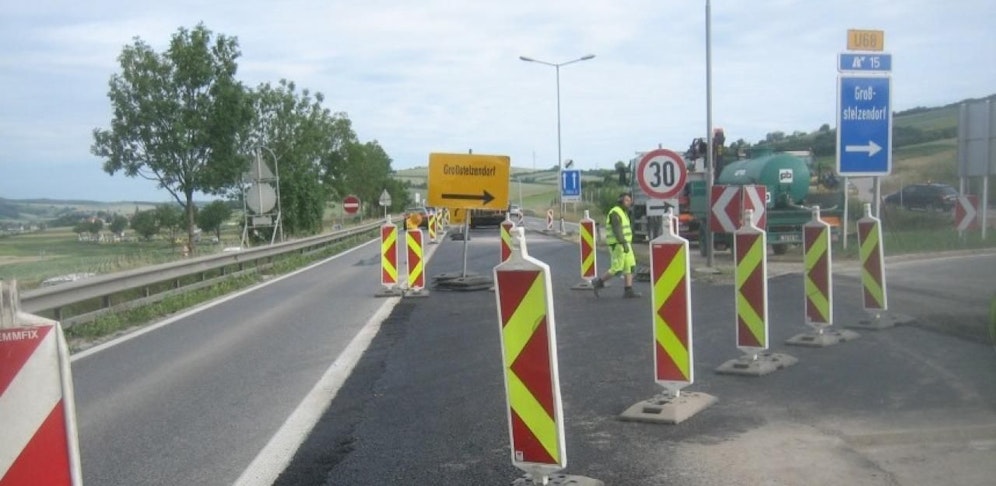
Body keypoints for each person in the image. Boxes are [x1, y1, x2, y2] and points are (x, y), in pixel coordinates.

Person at [593, 192, 641, 298]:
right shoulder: (615, 212)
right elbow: (617, 229)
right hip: (618, 244)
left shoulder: (623, 213)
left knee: (629, 265)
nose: (629, 203)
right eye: (627, 200)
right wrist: (623, 243)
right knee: (617, 268)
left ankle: (628, 290)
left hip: (625, 243)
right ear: (620, 201)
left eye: (630, 200)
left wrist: (626, 243)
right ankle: (599, 282)